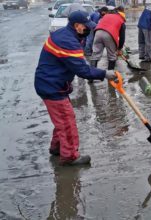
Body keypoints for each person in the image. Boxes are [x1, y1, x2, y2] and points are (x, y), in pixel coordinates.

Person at [34, 11, 117, 166]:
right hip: (52, 86)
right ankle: (70, 156)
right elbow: (83, 71)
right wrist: (105, 73)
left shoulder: (66, 35)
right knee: (67, 121)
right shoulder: (67, 41)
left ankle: (57, 147)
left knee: (61, 119)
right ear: (77, 25)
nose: (88, 30)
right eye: (86, 27)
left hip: (53, 84)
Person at [90, 9, 126, 76]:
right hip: (109, 34)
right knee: (112, 56)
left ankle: (91, 76)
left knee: (95, 55)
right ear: (123, 17)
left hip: (98, 32)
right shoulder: (121, 21)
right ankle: (110, 76)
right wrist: (119, 49)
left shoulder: (107, 15)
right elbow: (122, 38)